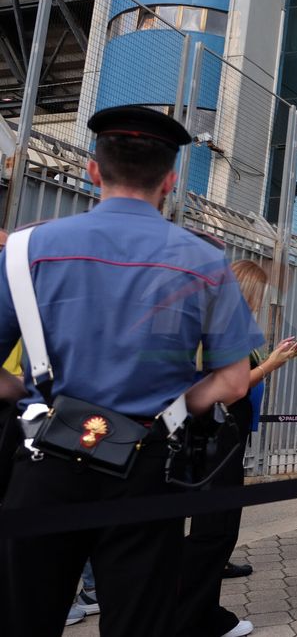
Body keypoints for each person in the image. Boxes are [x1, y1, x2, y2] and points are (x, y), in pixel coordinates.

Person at [0, 105, 262, 636]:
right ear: (171, 180)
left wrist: (23, 393)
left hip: (43, 456)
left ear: (94, 170)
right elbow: (233, 383)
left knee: (23, 615)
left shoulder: (25, 248)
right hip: (145, 464)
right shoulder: (206, 260)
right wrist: (174, 410)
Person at [177, 260, 297, 637]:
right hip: (216, 440)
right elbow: (231, 385)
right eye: (260, 295)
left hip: (223, 438)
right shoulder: (222, 327)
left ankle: (201, 611)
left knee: (217, 528)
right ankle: (196, 616)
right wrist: (271, 364)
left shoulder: (221, 326)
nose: (263, 303)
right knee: (215, 529)